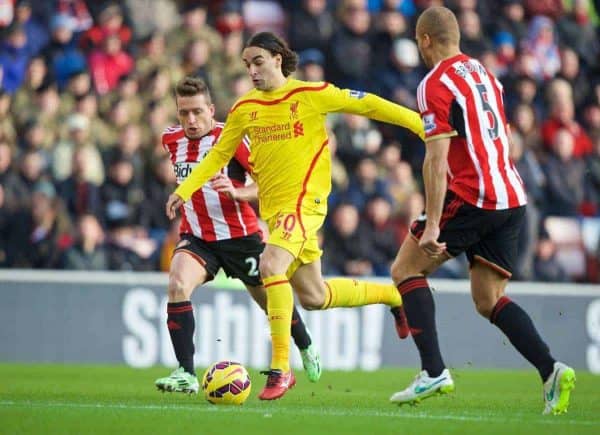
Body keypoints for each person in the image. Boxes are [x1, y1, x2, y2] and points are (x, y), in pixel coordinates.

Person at [166, 32, 420, 400]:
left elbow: (370, 106)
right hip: (275, 211)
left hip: (306, 205)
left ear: (277, 59)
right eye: (246, 64)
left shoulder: (311, 95)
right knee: (315, 296)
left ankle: (281, 369)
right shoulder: (244, 108)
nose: (251, 70)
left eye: (257, 62)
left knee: (270, 266)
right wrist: (183, 191)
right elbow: (217, 157)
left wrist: (419, 123)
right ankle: (393, 296)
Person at [388, 6, 575, 416]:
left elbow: (435, 161)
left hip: (474, 195)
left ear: (424, 41)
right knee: (488, 298)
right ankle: (551, 370)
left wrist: (434, 224)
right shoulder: (484, 73)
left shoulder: (433, 83)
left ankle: (433, 370)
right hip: (511, 195)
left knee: (406, 269)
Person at [154, 76, 323, 394]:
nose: (190, 120)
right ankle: (186, 373)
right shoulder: (170, 139)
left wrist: (237, 192)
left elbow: (267, 184)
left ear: (211, 109)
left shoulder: (232, 138)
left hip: (241, 237)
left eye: (197, 112)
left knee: (268, 302)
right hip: (198, 238)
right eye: (183, 113)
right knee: (177, 284)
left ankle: (305, 345)